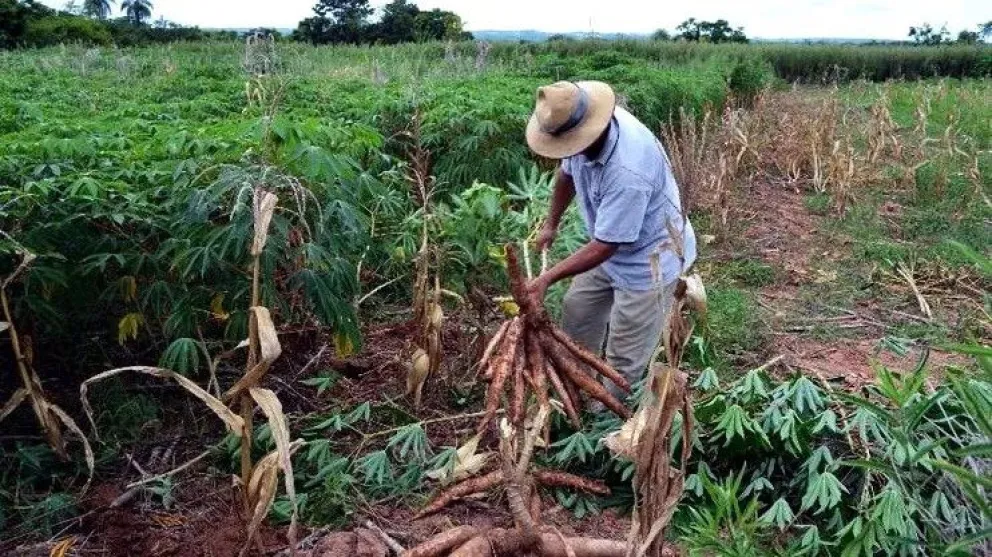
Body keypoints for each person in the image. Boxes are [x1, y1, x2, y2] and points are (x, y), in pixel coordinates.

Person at [524, 80, 697, 407]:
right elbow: (566, 175)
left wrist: (546, 277)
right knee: (577, 309)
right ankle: (577, 389)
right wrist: (551, 225)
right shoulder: (580, 127)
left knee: (623, 357)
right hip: (610, 247)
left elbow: (605, 246)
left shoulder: (628, 171)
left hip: (649, 262)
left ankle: (605, 421)